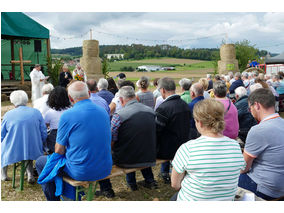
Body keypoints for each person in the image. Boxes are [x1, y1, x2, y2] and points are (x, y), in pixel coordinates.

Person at [35, 81, 112, 201]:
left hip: (82, 171)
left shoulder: (68, 115)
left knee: (40, 161)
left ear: (70, 98)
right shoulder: (103, 110)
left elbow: (59, 150)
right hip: (104, 167)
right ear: (89, 93)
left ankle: (53, 201)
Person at [171, 99, 245, 201]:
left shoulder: (188, 149)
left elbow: (175, 184)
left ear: (200, 123)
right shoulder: (235, 146)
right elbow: (239, 170)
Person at [97, 86, 157, 196]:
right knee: (139, 144)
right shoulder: (151, 112)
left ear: (120, 100)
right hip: (149, 155)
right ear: (136, 97)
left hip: (126, 160)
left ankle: (127, 184)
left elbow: (111, 140)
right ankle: (150, 180)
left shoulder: (119, 115)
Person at [238, 88, 284, 200]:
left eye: (250, 108)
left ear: (257, 105)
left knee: (227, 178)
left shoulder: (258, 130)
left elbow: (243, 168)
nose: (251, 111)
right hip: (279, 184)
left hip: (267, 188)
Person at [1, 90, 47, 183]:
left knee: (3, 147)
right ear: (26, 100)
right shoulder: (36, 112)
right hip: (33, 147)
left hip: (13, 149)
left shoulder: (8, 114)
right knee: (27, 145)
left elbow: (2, 134)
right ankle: (30, 174)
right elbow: (43, 131)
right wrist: (42, 142)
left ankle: (3, 175)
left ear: (12, 101)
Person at [155, 77, 191, 184]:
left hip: (167, 150)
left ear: (163, 90)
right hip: (184, 147)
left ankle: (164, 173)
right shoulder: (185, 105)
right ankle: (166, 173)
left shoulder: (163, 108)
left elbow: (156, 130)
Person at [44, 86, 71, 154]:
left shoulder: (49, 113)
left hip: (55, 143)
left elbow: (45, 127)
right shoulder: (71, 110)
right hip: (69, 140)